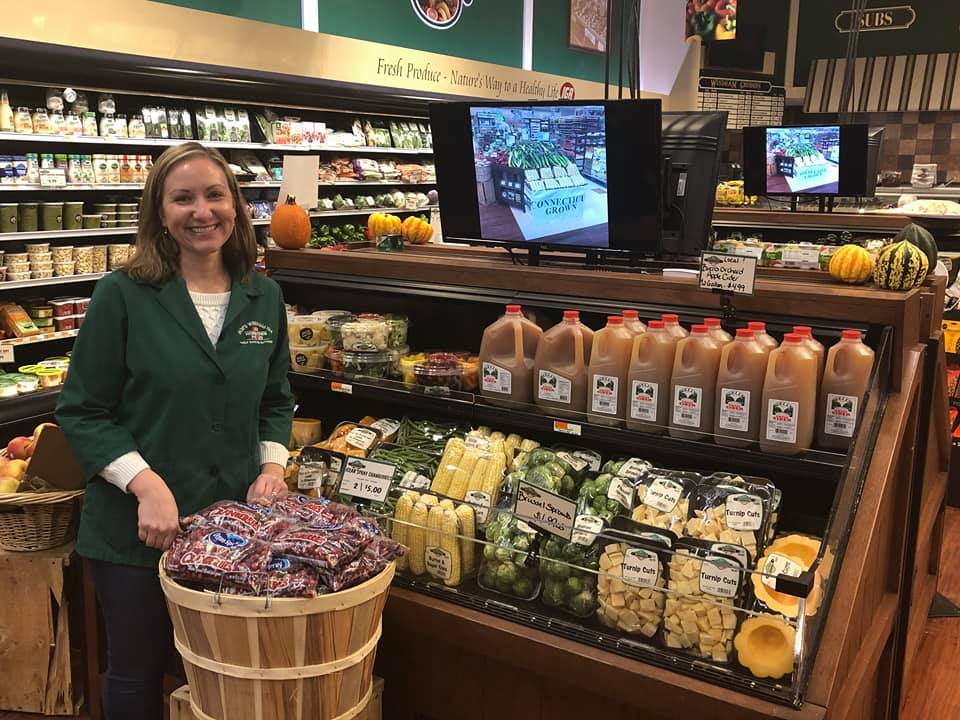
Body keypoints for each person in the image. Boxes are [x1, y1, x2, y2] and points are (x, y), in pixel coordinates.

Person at [56, 142, 295, 720]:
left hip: (232, 529)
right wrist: (145, 484)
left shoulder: (264, 296)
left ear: (235, 206)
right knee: (135, 672)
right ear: (159, 213)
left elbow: (275, 398)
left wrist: (271, 467)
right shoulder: (122, 294)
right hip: (134, 532)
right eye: (182, 198)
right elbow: (83, 410)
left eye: (215, 195)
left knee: (222, 671)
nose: (201, 211)